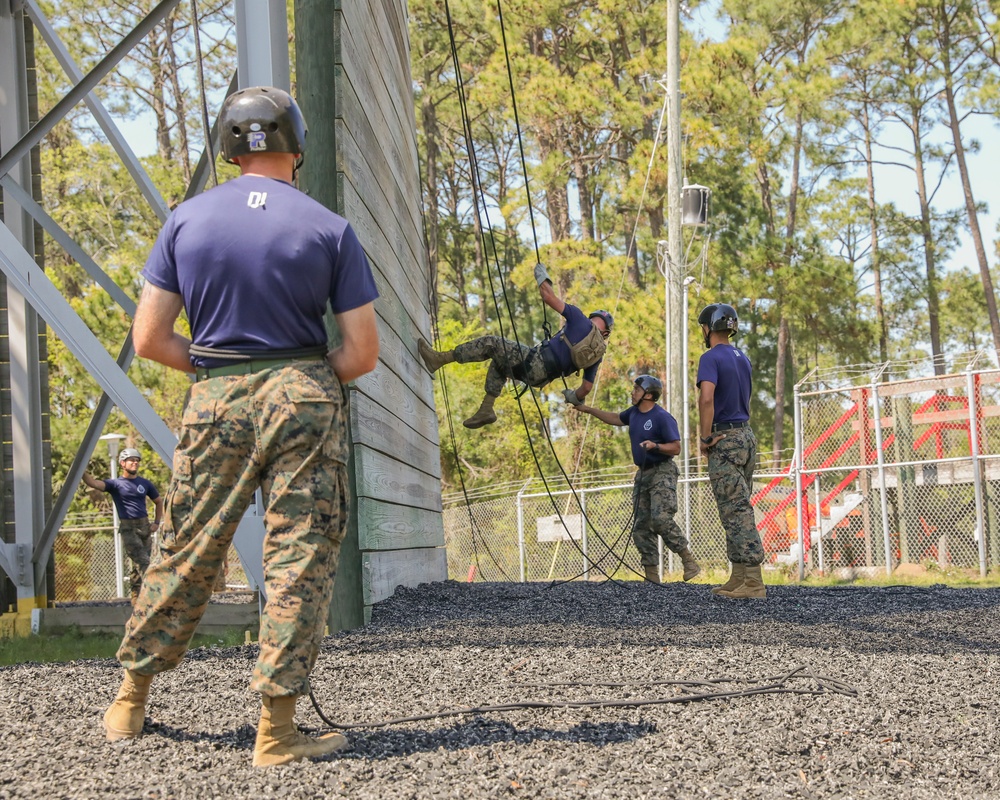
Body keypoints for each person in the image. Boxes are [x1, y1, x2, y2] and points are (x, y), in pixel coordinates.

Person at [101, 86, 380, 768]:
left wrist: (219, 371)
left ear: (230, 147)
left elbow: (148, 338)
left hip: (216, 392)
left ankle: (130, 702)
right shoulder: (329, 228)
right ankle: (276, 733)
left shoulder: (185, 223)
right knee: (298, 558)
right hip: (302, 396)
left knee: (186, 544)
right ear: (296, 146)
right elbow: (361, 353)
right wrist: (300, 379)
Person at [418, 262, 613, 428]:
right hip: (540, 379)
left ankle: (440, 359)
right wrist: (573, 397)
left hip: (536, 361)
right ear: (605, 334)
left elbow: (548, 296)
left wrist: (542, 276)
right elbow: (586, 388)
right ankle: (487, 408)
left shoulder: (580, 320)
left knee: (492, 343)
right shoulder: (597, 355)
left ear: (593, 318)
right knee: (502, 361)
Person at [572, 374, 700, 583]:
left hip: (662, 471)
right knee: (641, 526)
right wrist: (587, 409)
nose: (632, 393)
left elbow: (676, 447)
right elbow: (615, 418)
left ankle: (688, 560)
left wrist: (655, 446)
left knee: (660, 519)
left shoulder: (661, 417)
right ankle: (651, 578)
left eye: (636, 390)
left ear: (648, 395)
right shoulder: (633, 414)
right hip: (643, 473)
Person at [696, 303, 765, 599]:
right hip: (746, 435)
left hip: (724, 438)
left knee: (736, 511)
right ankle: (738, 577)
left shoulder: (709, 357)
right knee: (733, 507)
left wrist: (705, 436)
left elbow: (706, 398)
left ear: (707, 328)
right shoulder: (742, 357)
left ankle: (754, 582)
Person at [82, 447, 163, 604]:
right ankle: (153, 597)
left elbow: (159, 502)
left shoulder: (145, 483)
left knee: (138, 565)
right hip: (129, 528)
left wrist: (156, 523)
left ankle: (136, 598)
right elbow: (93, 483)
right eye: (131, 460)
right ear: (122, 463)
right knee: (144, 561)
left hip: (145, 526)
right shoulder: (115, 484)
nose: (135, 463)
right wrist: (81, 469)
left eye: (137, 460)